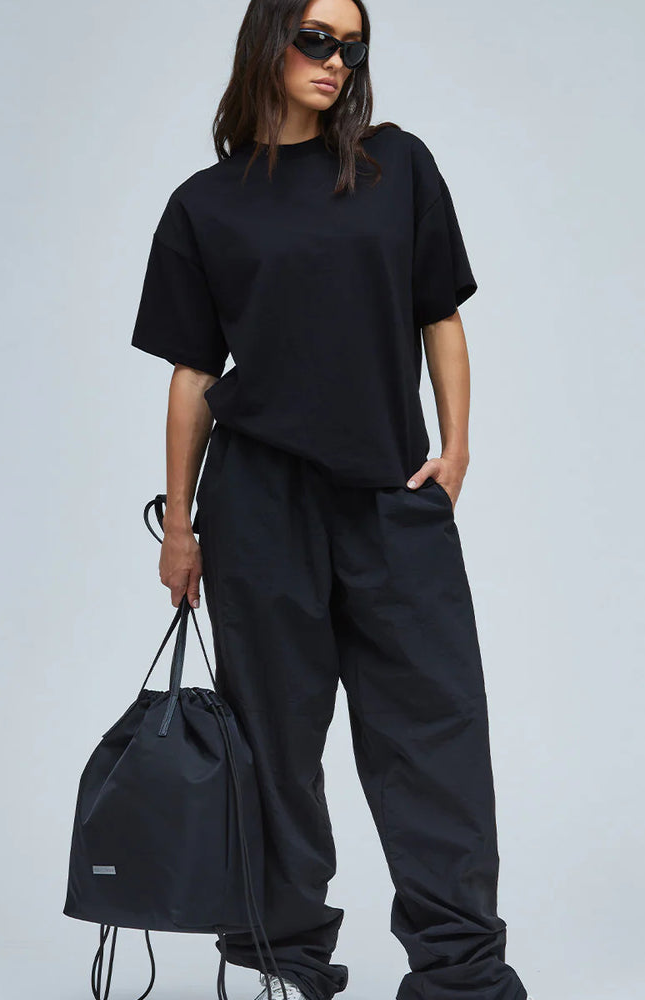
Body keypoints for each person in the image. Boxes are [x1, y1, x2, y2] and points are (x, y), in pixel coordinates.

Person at [130, 2, 534, 1000]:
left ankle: (461, 975)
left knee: (434, 738)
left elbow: (437, 312)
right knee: (273, 746)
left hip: (389, 498)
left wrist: (458, 446)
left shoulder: (396, 169)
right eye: (316, 36)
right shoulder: (204, 205)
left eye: (351, 43)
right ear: (267, 41)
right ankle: (278, 964)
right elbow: (191, 377)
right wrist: (179, 524)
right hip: (257, 503)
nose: (336, 58)